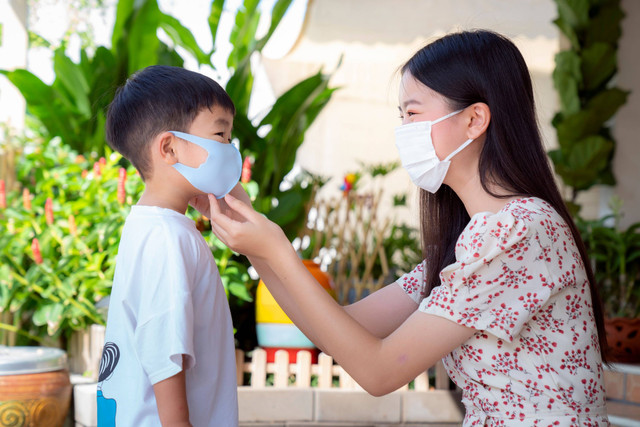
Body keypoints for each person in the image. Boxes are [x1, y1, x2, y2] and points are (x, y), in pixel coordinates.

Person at [203, 30, 610, 425]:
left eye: (413, 114)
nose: (403, 132)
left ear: (474, 120)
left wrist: (276, 250)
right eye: (402, 116)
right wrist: (254, 241)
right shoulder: (472, 240)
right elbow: (339, 328)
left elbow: (379, 372)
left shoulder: (518, 231)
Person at [97, 65, 243, 427]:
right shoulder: (168, 237)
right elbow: (164, 349)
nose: (230, 148)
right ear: (169, 147)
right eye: (221, 134)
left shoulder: (148, 226)